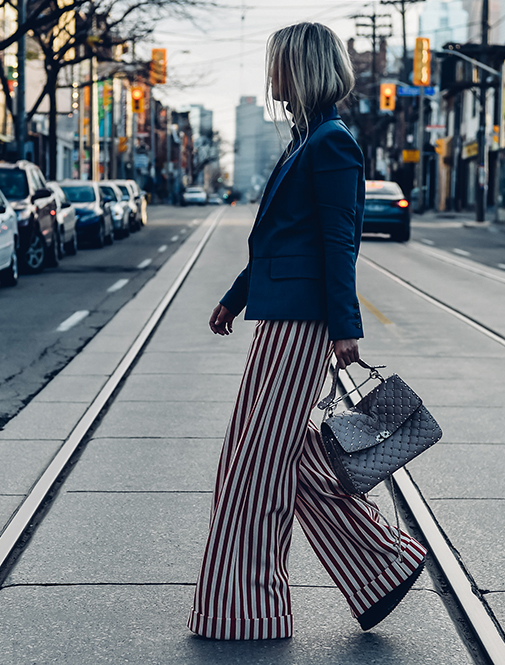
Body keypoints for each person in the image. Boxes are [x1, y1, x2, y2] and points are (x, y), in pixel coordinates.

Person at [187, 22, 427, 641]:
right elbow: (280, 240)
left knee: (256, 472)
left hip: (303, 328)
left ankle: (248, 611)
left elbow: (336, 243)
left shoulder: (331, 144)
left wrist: (347, 330)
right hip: (278, 322)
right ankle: (381, 566)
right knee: (273, 460)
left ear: (303, 69)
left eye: (279, 66)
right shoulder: (306, 141)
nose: (271, 78)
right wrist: (234, 298)